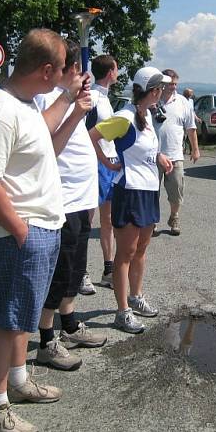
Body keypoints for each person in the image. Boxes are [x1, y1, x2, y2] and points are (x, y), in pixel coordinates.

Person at [0, 28, 88, 432]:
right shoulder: (0, 111)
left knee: (21, 317)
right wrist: (21, 231)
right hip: (18, 234)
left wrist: (71, 101)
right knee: (5, 322)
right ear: (45, 70)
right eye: (61, 69)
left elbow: (43, 136)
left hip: (39, 229)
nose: (65, 74)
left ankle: (18, 382)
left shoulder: (23, 104)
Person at [33, 42, 107, 372]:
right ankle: (46, 339)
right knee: (60, 272)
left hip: (83, 196)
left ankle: (71, 324)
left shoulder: (76, 98)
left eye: (77, 68)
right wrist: (74, 107)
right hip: (61, 197)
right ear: (64, 70)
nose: (78, 74)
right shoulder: (47, 99)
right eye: (73, 68)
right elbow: (48, 147)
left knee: (76, 270)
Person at [88, 67, 173, 334]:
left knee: (141, 250)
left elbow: (146, 148)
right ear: (154, 90)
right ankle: (122, 311)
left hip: (148, 191)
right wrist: (107, 162)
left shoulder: (147, 115)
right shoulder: (124, 117)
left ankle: (135, 297)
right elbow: (92, 136)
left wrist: (158, 157)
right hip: (129, 192)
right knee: (125, 253)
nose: (164, 92)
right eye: (161, 88)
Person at [86, 54, 119, 289]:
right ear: (110, 72)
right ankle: (80, 272)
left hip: (109, 163)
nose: (118, 72)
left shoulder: (107, 99)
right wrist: (104, 161)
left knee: (107, 220)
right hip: (95, 164)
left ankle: (108, 270)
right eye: (116, 68)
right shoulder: (94, 98)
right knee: (87, 221)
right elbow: (88, 137)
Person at [154, 69, 200, 236]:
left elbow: (191, 128)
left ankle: (174, 217)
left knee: (177, 189)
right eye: (170, 84)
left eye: (175, 84)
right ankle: (153, 221)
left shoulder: (183, 102)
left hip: (175, 155)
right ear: (162, 84)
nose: (173, 87)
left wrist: (195, 149)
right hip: (153, 155)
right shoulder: (152, 100)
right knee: (152, 191)